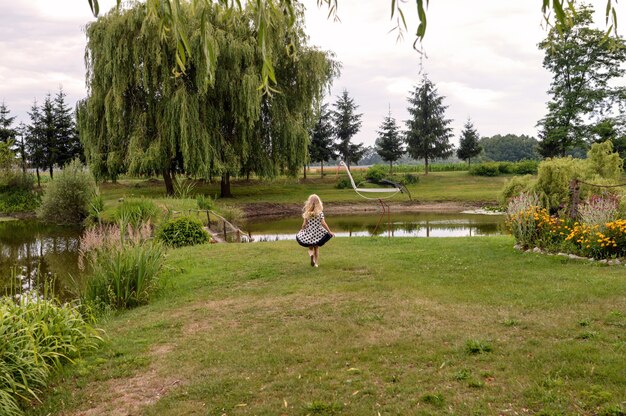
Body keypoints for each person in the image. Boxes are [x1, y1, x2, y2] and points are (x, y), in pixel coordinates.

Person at [296, 194, 334, 267]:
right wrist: (329, 231)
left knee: (310, 248)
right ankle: (316, 263)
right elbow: (323, 223)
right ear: (318, 203)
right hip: (317, 233)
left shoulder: (306, 213)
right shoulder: (320, 213)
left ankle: (311, 256)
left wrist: (302, 230)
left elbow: (304, 225)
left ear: (309, 203)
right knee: (316, 248)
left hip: (309, 233)